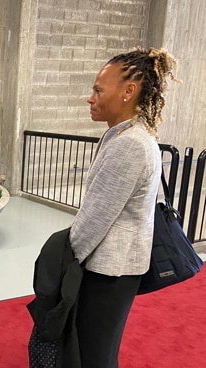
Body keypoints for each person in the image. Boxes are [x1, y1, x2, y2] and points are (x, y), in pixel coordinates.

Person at [69, 47, 178, 367]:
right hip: (114, 266)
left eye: (99, 90)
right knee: (96, 347)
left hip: (110, 269)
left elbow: (96, 217)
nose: (91, 97)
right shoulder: (123, 135)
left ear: (129, 91)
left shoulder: (129, 143)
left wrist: (66, 259)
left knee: (95, 353)